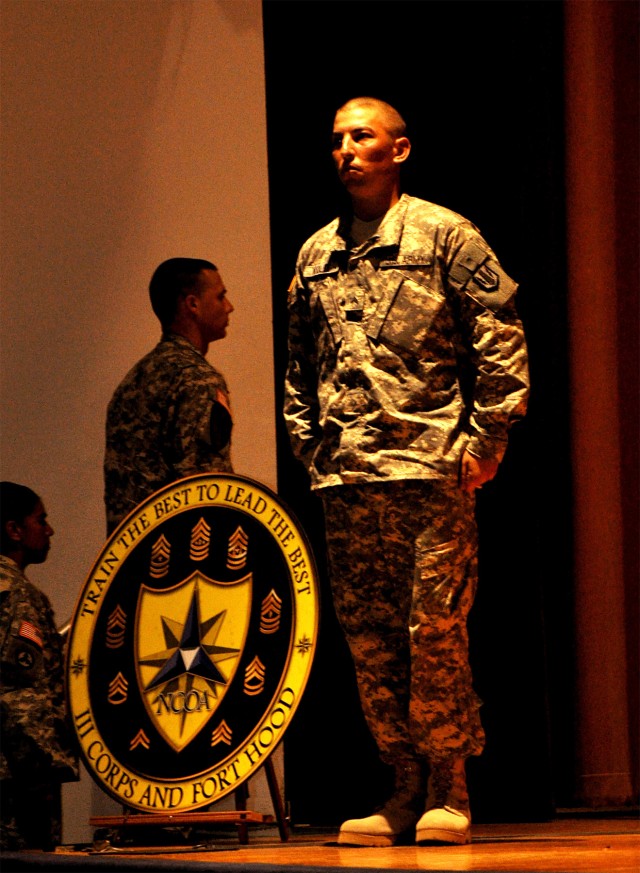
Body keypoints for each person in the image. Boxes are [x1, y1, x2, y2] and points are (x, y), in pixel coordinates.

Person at [284, 97, 529, 847]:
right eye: (336, 140)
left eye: (362, 137)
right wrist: (308, 444)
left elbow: (499, 335)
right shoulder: (316, 252)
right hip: (349, 478)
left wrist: (488, 435)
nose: (346, 151)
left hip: (429, 471)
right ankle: (400, 784)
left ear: (401, 149)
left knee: (434, 629)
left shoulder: (443, 234)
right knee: (370, 639)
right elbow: (298, 365)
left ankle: (450, 783)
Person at [104, 257, 235, 534]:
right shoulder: (199, 379)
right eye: (220, 296)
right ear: (193, 305)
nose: (229, 306)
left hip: (127, 558)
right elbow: (206, 486)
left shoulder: (131, 382)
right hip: (179, 558)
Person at [0, 482, 79, 850]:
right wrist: (43, 774)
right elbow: (21, 696)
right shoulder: (17, 595)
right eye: (40, 520)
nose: (49, 530)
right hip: (13, 790)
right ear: (14, 530)